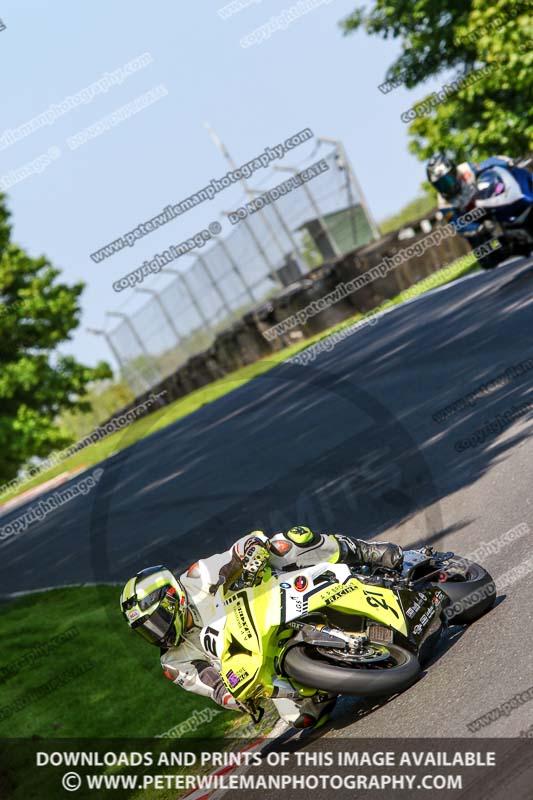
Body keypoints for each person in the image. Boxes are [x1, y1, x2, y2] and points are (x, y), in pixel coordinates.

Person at [120, 526, 403, 729]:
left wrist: (251, 553)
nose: (157, 635)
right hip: (263, 664)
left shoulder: (197, 578)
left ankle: (368, 552)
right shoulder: (173, 662)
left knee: (287, 543)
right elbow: (214, 687)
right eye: (146, 631)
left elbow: (237, 551)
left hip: (272, 595)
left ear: (173, 599)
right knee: (303, 719)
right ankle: (339, 660)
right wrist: (237, 699)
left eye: (156, 623)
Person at [426, 152, 515, 230]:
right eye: (440, 184)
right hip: (476, 223)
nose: (446, 186)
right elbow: (457, 224)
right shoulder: (443, 204)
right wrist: (478, 228)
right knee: (486, 244)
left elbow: (488, 164)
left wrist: (507, 162)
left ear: (453, 171)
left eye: (447, 180)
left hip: (489, 203)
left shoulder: (466, 169)